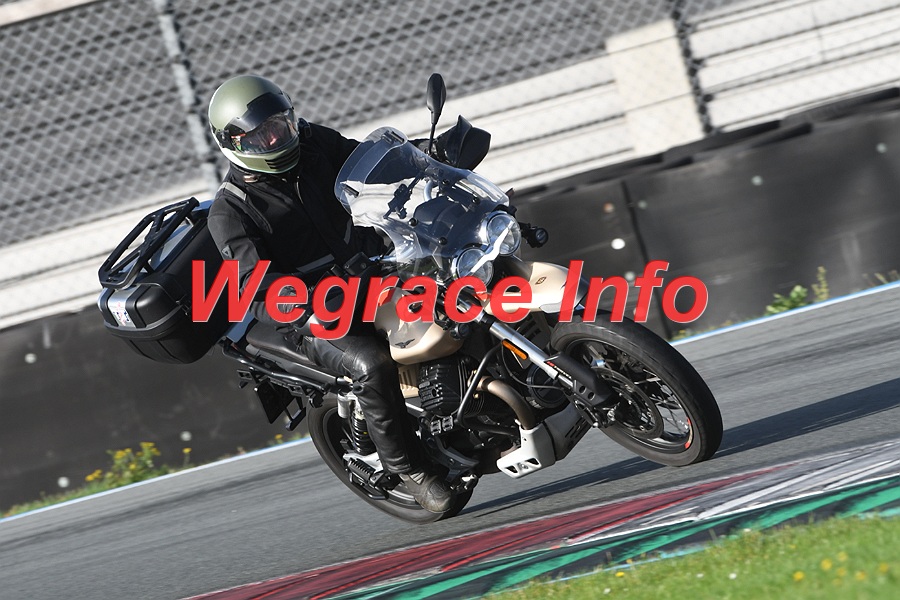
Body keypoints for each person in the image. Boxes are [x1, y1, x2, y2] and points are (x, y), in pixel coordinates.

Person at [206, 74, 453, 512]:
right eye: (262, 135)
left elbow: (372, 164)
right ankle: (409, 469)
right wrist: (306, 306)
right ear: (234, 142)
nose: (276, 138)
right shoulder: (232, 211)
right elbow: (255, 287)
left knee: (456, 292)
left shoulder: (313, 143)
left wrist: (429, 156)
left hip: (374, 271)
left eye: (279, 124)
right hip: (314, 313)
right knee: (372, 364)